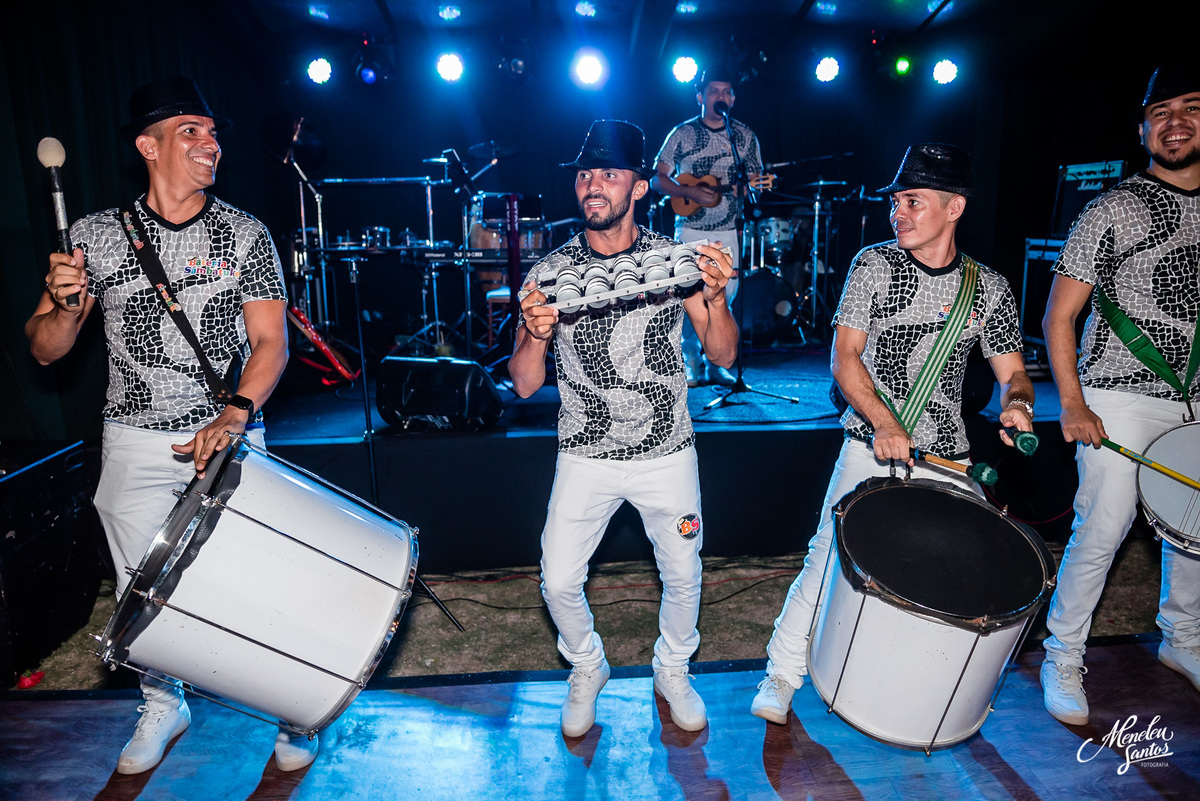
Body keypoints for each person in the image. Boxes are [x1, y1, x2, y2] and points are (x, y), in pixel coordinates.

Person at [24, 77, 310, 774]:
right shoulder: (94, 236)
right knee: (139, 586)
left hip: (229, 433)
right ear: (148, 145)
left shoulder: (246, 234)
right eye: (192, 131)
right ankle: (163, 700)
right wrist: (64, 305)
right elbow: (44, 347)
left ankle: (289, 704)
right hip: (132, 437)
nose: (211, 143)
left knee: (255, 577)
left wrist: (235, 413)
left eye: (214, 132)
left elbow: (271, 344)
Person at [748, 143, 1035, 724]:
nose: (897, 212)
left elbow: (1014, 374)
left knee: (973, 566)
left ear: (954, 208)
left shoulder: (990, 289)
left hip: (948, 455)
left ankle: (927, 695)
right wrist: (883, 422)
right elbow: (844, 358)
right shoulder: (873, 265)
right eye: (896, 201)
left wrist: (1020, 407)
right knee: (827, 558)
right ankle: (781, 673)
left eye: (913, 201)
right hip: (869, 442)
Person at [512, 119, 738, 738]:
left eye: (610, 174)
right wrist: (533, 333)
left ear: (639, 188)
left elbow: (722, 354)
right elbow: (525, 382)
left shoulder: (674, 261)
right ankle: (588, 664)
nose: (594, 185)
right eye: (586, 174)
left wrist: (716, 300)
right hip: (585, 451)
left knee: (685, 573)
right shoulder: (550, 271)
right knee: (557, 579)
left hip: (667, 450)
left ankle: (672, 667)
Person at [1039, 62, 1200, 726]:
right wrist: (1073, 403)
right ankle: (1062, 654)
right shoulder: (1112, 207)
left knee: (1192, 529)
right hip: (1114, 392)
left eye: (1190, 107)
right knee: (1105, 523)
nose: (1176, 122)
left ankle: (1183, 639)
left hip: (1195, 394)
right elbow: (1057, 316)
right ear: (1142, 129)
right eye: (1160, 112)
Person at [652, 71, 767, 387]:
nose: (721, 96)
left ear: (732, 99)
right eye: (714, 91)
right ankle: (690, 359)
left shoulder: (744, 136)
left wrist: (748, 189)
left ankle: (717, 360)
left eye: (727, 91)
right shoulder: (683, 133)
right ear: (700, 97)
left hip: (729, 229)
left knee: (724, 297)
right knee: (689, 297)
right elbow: (656, 178)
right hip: (689, 228)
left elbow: (753, 183)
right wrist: (689, 192)